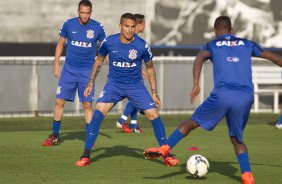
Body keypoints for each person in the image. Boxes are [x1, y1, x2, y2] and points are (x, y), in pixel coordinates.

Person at [143, 16, 282, 184]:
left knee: (192, 122)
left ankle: (165, 148)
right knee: (237, 139)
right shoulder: (247, 44)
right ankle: (247, 175)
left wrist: (196, 83)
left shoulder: (213, 45)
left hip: (222, 95)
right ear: (231, 30)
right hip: (245, 98)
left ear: (216, 31)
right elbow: (276, 58)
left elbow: (199, 58)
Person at [75, 13, 179, 167]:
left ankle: (166, 154)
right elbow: (99, 61)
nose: (130, 30)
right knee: (98, 113)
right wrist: (91, 82)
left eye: (132, 27)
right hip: (114, 85)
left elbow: (150, 68)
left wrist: (154, 92)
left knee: (154, 114)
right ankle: (86, 155)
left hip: (135, 86)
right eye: (126, 26)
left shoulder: (142, 45)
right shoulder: (109, 42)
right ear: (120, 26)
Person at [42, 0, 106, 146]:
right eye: (82, 12)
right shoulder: (68, 24)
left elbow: (105, 48)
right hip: (69, 70)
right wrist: (56, 63)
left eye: (87, 13)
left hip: (87, 72)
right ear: (78, 11)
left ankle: (89, 139)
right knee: (59, 101)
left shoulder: (98, 27)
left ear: (91, 12)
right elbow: (60, 44)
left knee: (87, 105)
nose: (85, 15)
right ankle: (55, 135)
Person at [115, 13, 146, 133]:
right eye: (144, 23)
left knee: (134, 98)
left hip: (134, 73)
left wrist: (140, 69)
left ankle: (133, 125)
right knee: (136, 98)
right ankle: (121, 120)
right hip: (128, 75)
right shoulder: (129, 39)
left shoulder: (137, 40)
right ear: (139, 24)